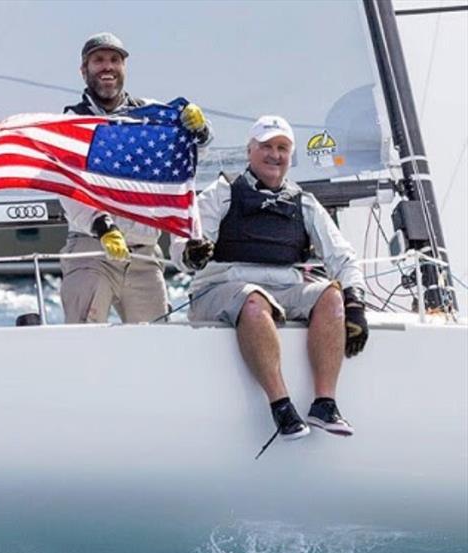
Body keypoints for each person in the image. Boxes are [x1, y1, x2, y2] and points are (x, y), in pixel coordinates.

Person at [170, 115, 369, 439]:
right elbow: (181, 246)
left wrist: (355, 302)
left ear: (290, 156)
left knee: (331, 295)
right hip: (220, 287)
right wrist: (190, 253)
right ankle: (281, 406)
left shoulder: (304, 202)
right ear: (250, 151)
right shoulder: (222, 192)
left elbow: (342, 255)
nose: (274, 155)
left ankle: (324, 404)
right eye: (266, 147)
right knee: (253, 300)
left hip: (284, 285)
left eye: (282, 148)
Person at [59, 32, 214, 324]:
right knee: (83, 341)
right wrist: (102, 226)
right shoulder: (71, 122)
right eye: (99, 60)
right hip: (91, 251)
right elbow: (69, 187)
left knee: (157, 346)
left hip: (144, 254)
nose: (107, 67)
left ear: (124, 68)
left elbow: (183, 163)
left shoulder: (150, 115)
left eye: (115, 60)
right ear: (84, 70)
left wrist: (200, 130)